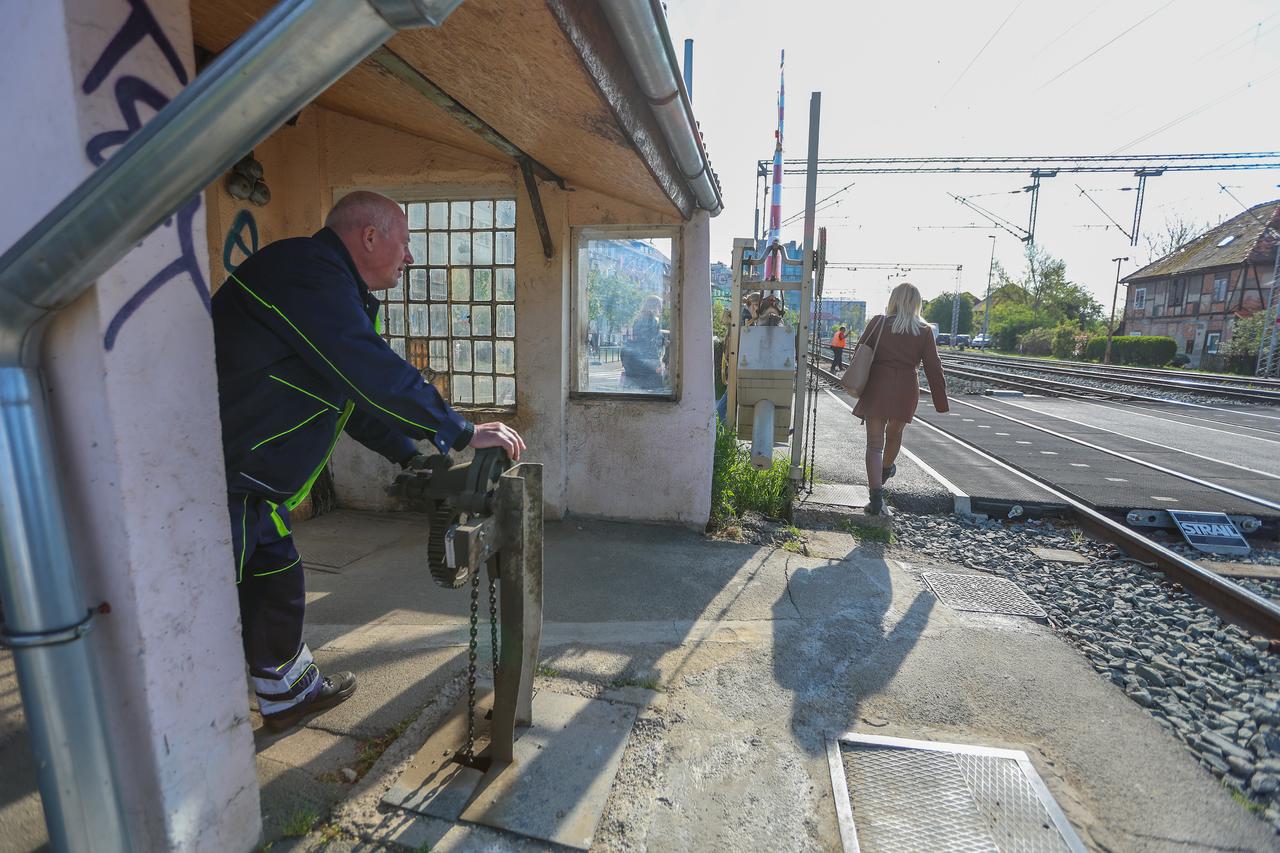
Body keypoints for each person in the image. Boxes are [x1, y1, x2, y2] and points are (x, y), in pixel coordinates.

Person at [212, 191, 525, 734]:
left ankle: (288, 694)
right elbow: (371, 371)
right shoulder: (306, 272)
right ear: (370, 237)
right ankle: (187, 731)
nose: (410, 258)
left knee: (279, 578)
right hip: (221, 483)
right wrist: (461, 431)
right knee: (206, 606)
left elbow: (350, 396)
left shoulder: (328, 290)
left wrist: (411, 457)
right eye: (405, 243)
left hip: (255, 487)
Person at [849, 282, 948, 516]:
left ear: (893, 300)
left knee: (874, 444)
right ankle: (884, 473)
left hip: (877, 386)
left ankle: (875, 499)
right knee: (894, 435)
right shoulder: (923, 331)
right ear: (916, 304)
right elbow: (934, 368)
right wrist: (941, 402)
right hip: (905, 389)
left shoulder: (878, 323)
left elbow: (859, 353)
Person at [621, 294, 665, 391]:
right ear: (655, 306)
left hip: (638, 358)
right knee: (655, 389)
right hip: (647, 359)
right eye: (660, 305)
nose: (661, 308)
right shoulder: (650, 319)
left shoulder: (639, 318)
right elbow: (650, 340)